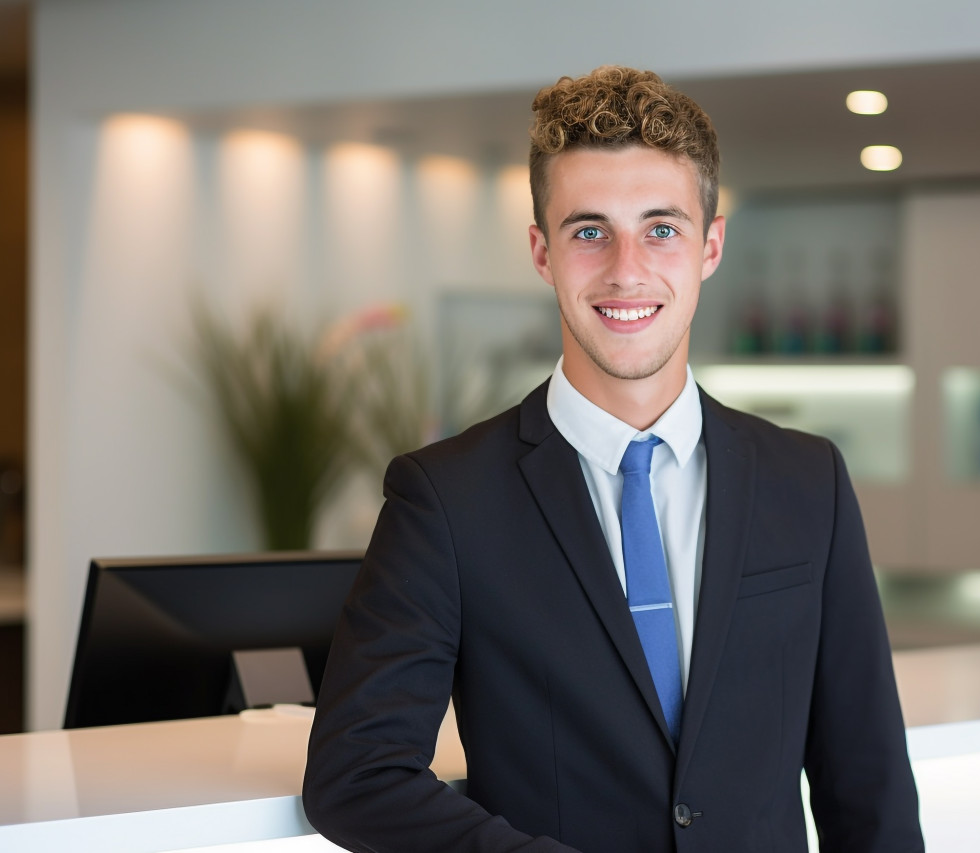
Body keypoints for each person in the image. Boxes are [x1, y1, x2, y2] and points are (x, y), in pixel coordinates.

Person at [303, 65, 924, 853]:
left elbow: (867, 786)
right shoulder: (445, 500)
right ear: (542, 252)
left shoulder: (809, 482)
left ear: (711, 245)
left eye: (661, 227)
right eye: (589, 230)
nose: (627, 269)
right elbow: (356, 773)